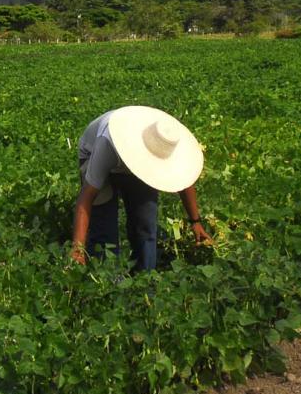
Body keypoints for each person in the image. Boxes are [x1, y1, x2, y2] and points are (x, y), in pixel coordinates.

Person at [71, 105, 212, 271]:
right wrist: (77, 249)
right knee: (104, 235)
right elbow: (87, 197)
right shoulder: (108, 143)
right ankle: (107, 285)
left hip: (133, 158)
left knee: (145, 225)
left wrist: (195, 221)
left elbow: (185, 182)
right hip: (95, 152)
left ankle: (144, 280)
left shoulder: (168, 142)